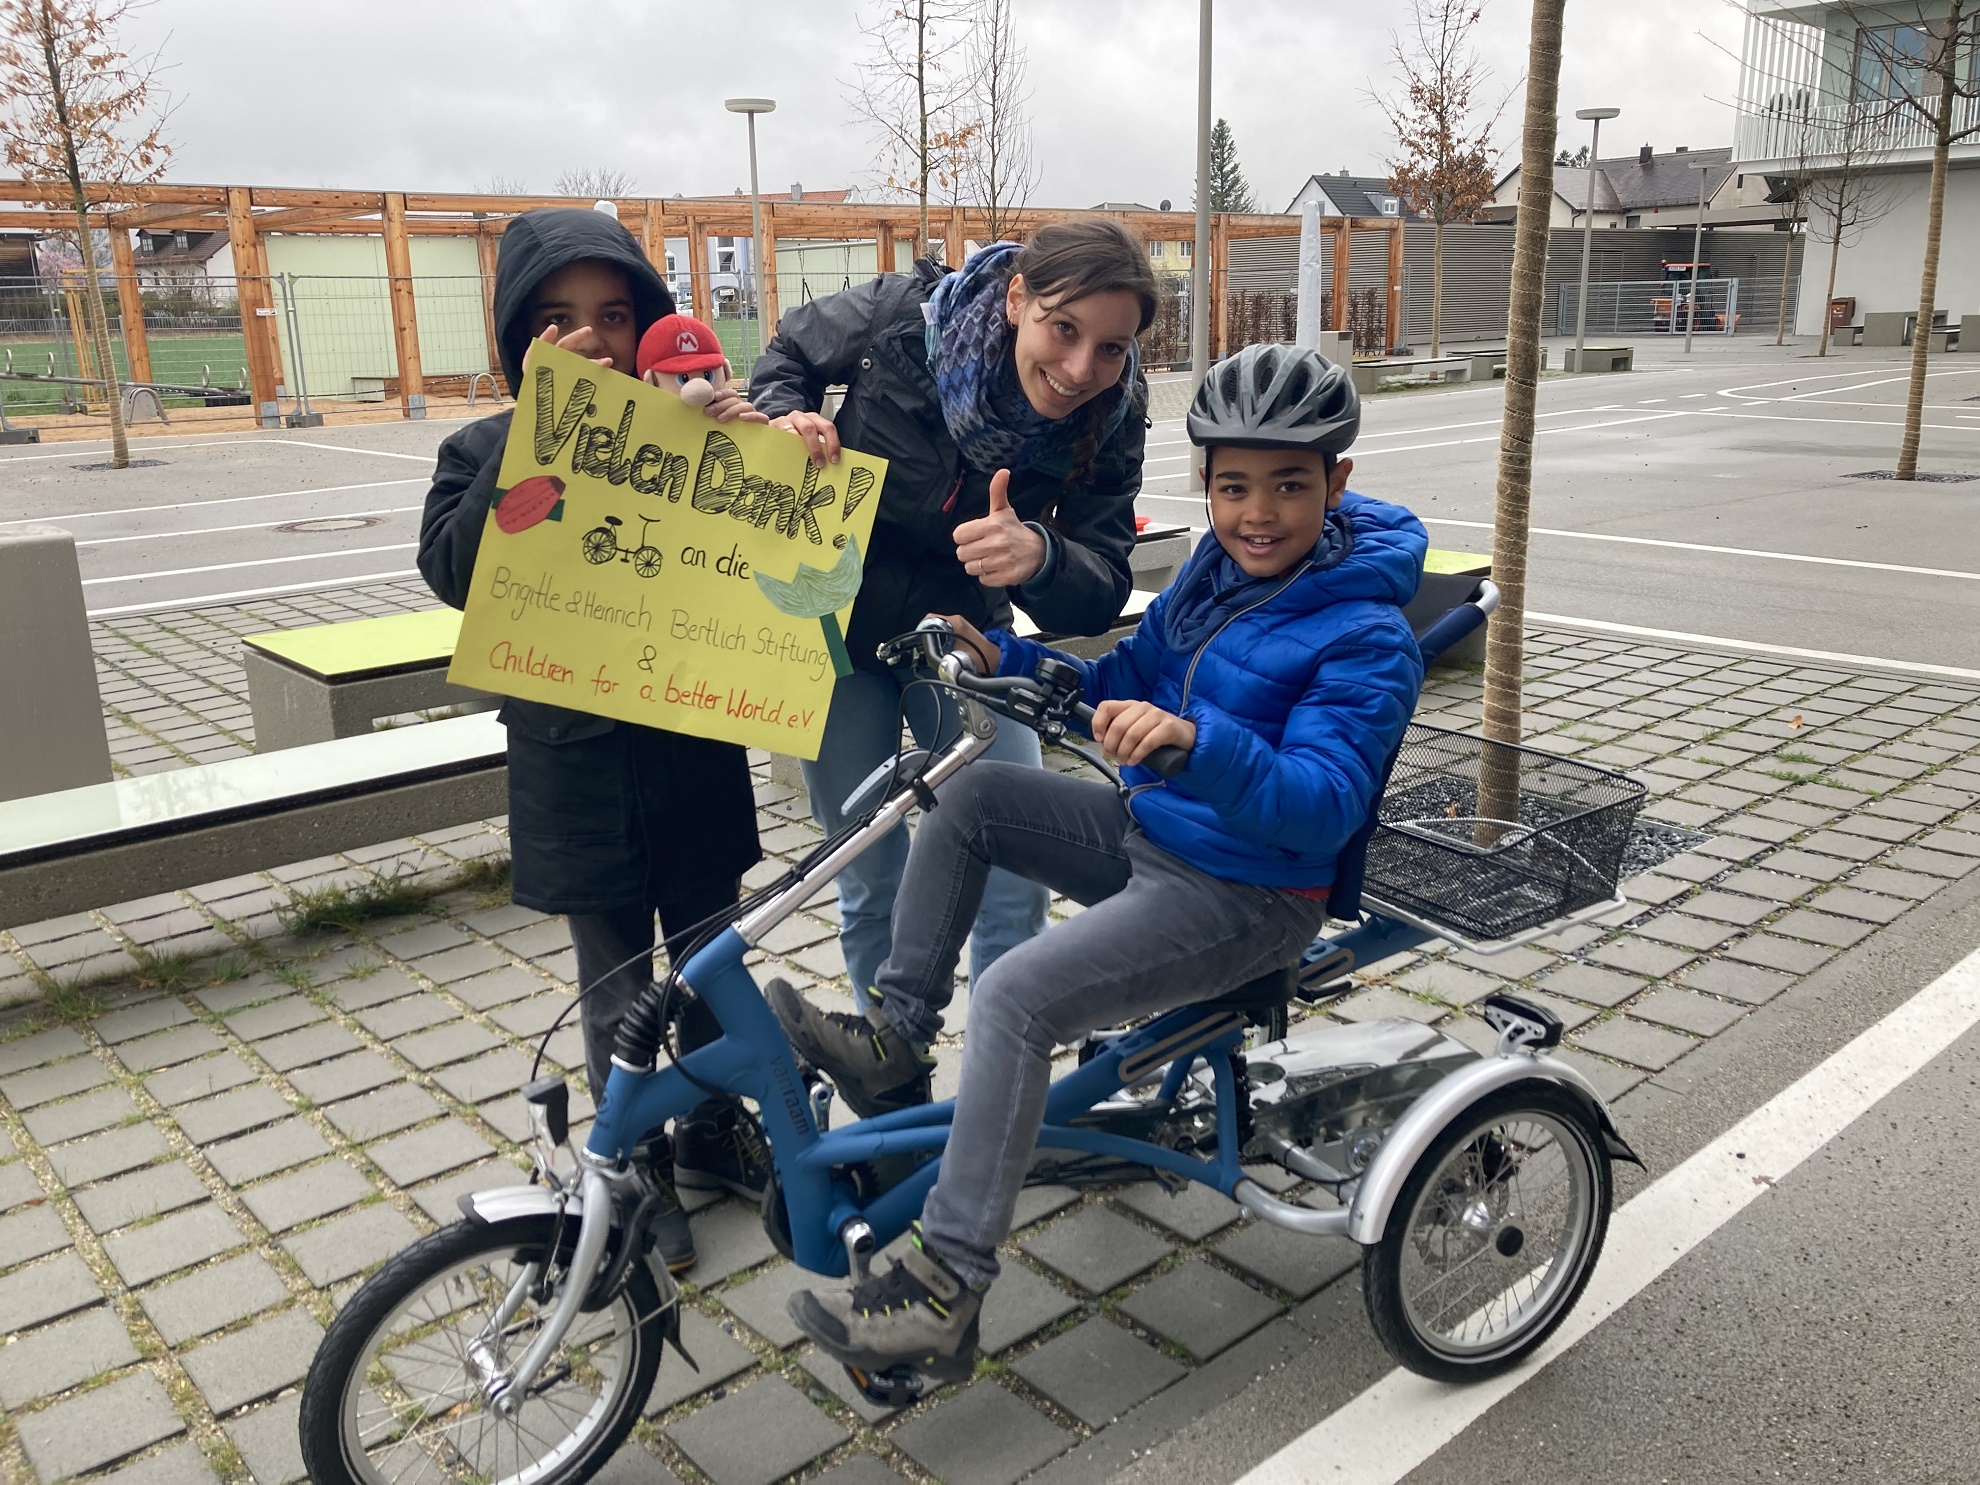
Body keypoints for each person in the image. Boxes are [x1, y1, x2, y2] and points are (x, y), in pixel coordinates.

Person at [780, 343, 1429, 1382]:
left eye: (1289, 486)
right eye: (1232, 487)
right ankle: (897, 1038)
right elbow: (1122, 676)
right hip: (1156, 835)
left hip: (1252, 892)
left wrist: (1191, 744)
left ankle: (946, 1294)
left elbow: (1323, 806)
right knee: (977, 792)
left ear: (1338, 483)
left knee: (1016, 997)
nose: (1257, 513)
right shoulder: (1218, 576)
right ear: (1206, 485)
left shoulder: (1367, 636)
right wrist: (1011, 658)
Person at [417, 208, 767, 1272]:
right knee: (615, 986)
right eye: (559, 320)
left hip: (693, 749)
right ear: (517, 339)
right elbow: (454, 570)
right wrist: (532, 442)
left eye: (615, 316)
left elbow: (766, 566)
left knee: (711, 963)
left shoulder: (693, 439)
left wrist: (772, 456)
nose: (594, 340)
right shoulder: (483, 447)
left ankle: (712, 1124)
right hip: (574, 768)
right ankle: (634, 1162)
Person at [749, 222, 1158, 1102]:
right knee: (868, 868)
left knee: (1015, 865)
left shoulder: (1113, 420)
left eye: (1112, 347)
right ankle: (889, 1078)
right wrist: (792, 415)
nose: (1084, 368)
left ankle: (1007, 1078)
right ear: (1017, 301)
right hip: (838, 628)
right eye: (1064, 329)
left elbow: (1101, 584)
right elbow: (788, 346)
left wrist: (1041, 557)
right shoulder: (908, 321)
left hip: (964, 638)